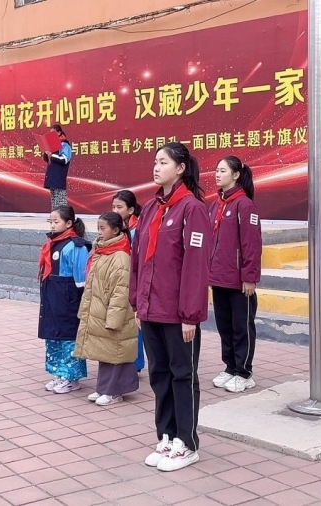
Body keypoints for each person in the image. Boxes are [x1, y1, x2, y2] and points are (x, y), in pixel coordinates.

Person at [130, 142, 211, 472]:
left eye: (163, 162)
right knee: (159, 375)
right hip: (151, 310)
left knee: (182, 375)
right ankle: (166, 435)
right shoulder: (150, 208)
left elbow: (195, 266)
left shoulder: (192, 209)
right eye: (155, 161)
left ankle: (186, 443)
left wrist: (190, 315)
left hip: (178, 314)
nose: (156, 167)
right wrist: (137, 303)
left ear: (180, 168)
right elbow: (138, 260)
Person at [208, 156, 262, 394]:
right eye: (216, 170)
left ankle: (244, 372)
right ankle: (230, 367)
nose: (217, 174)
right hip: (219, 277)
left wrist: (249, 277)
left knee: (242, 327)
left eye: (222, 171)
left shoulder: (244, 205)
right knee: (225, 326)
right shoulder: (217, 204)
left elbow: (252, 244)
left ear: (236, 175)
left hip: (240, 281)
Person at [74, 212, 140, 406]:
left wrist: (113, 318)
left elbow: (121, 292)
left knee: (116, 352)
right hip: (101, 310)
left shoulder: (120, 256)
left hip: (114, 313)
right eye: (98, 228)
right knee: (105, 351)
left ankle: (114, 391)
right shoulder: (102, 251)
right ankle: (105, 388)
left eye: (103, 228)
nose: (99, 232)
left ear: (116, 230)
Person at [38, 205, 90, 394]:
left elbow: (82, 279)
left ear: (69, 223)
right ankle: (59, 374)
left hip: (68, 299)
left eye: (56, 221)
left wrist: (79, 302)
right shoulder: (51, 243)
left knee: (68, 337)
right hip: (52, 296)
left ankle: (71, 378)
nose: (52, 225)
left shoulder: (76, 246)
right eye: (50, 221)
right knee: (53, 336)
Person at [112, 190, 146, 373]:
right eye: (113, 207)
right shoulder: (118, 228)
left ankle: (135, 362)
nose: (115, 211)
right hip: (121, 279)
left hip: (134, 280)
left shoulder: (136, 230)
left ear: (131, 210)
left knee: (135, 323)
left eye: (119, 207)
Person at [42, 124, 73, 210]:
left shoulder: (65, 144)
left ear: (59, 132)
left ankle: (62, 216)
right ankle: (55, 215)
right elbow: (47, 159)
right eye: (50, 133)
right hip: (52, 178)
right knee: (54, 202)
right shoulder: (51, 144)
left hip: (59, 178)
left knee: (60, 203)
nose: (51, 135)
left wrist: (51, 155)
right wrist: (46, 153)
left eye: (53, 133)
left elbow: (64, 159)